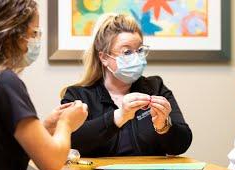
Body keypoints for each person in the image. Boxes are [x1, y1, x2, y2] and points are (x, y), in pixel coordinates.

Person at [60, 13, 192, 157]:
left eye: (140, 50)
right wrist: (119, 116)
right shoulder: (78, 95)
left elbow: (182, 144)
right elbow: (69, 141)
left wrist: (164, 126)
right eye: (127, 52)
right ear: (104, 57)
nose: (136, 57)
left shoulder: (155, 88)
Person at [0, 0, 88, 170]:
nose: (36, 40)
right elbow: (52, 162)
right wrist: (66, 124)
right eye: (34, 33)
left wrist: (46, 127)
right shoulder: (4, 81)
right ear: (13, 34)